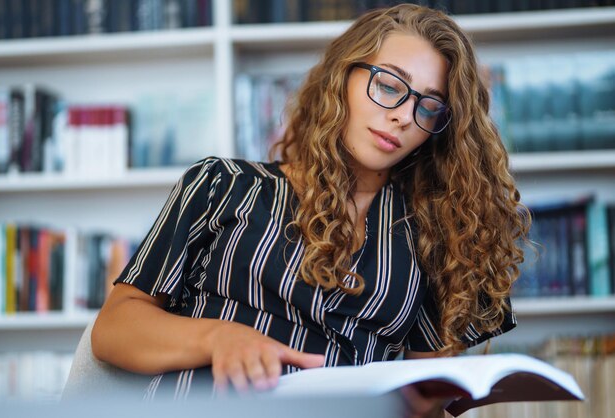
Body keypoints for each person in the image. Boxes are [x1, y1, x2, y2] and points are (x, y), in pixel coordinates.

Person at [91, 4, 530, 417]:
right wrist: (217, 337)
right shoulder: (223, 185)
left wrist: (422, 403)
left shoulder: (432, 238)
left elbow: (427, 394)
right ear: (342, 78)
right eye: (390, 86)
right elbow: (114, 328)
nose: (403, 117)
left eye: (429, 106)